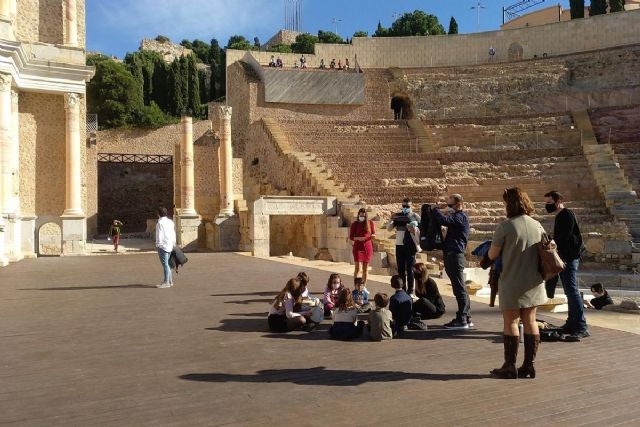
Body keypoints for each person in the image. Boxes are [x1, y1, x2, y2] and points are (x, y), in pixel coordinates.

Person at [488, 187, 547, 379]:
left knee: (511, 322)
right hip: (534, 282)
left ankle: (509, 366)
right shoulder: (537, 225)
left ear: (509, 204)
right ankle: (528, 366)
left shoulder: (506, 227)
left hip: (512, 281)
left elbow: (492, 255)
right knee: (531, 321)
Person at [544, 190, 589, 340]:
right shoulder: (561, 216)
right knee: (569, 291)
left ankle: (581, 326)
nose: (547, 205)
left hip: (569, 258)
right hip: (565, 258)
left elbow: (566, 239)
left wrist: (553, 243)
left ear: (557, 202)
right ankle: (571, 323)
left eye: (549, 202)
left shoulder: (566, 215)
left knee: (572, 291)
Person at [433, 194, 471, 329]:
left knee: (459, 288)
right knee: (460, 288)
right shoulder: (458, 217)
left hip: (455, 256)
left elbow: (444, 220)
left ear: (458, 204)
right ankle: (466, 316)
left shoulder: (460, 217)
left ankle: (462, 319)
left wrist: (435, 210)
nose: (448, 208)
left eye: (450, 205)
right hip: (452, 255)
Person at [387, 197, 421, 295]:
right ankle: (403, 290)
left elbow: (422, 227)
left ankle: (410, 291)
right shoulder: (397, 216)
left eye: (407, 206)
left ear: (411, 206)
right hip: (399, 245)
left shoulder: (415, 216)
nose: (405, 207)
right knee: (401, 270)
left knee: (410, 270)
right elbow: (389, 229)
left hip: (410, 245)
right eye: (404, 206)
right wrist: (391, 219)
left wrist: (415, 228)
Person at [350, 207, 376, 285]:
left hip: (367, 247)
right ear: (358, 215)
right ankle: (356, 286)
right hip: (358, 246)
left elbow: (373, 233)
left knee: (365, 269)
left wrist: (373, 236)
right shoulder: (355, 224)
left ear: (366, 216)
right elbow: (351, 237)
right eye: (361, 215)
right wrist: (359, 238)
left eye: (364, 216)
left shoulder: (370, 223)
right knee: (357, 269)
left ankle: (363, 286)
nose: (362, 217)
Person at [155, 207, 176, 289]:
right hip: (170, 245)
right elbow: (173, 233)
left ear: (158, 214)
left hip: (163, 246)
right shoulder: (170, 222)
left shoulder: (159, 223)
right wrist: (174, 242)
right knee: (168, 264)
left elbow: (159, 235)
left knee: (165, 265)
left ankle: (166, 282)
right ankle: (170, 281)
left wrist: (158, 244)